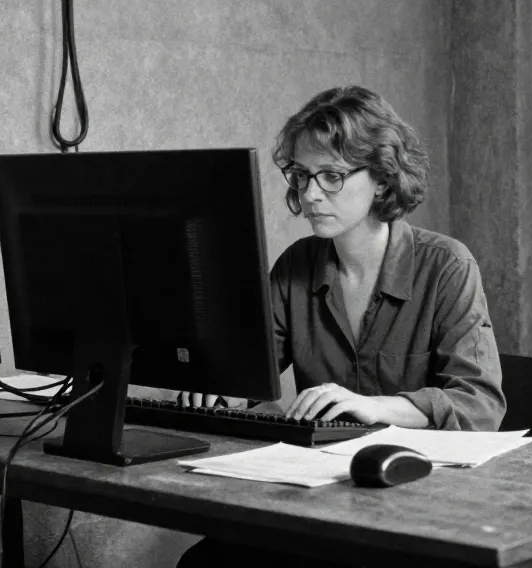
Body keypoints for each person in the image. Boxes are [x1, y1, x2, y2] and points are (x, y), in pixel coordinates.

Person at [174, 85, 505, 568]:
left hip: (422, 509)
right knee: (204, 563)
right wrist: (222, 387)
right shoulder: (296, 267)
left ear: (382, 179)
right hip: (322, 501)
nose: (309, 194)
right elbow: (251, 374)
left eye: (331, 176)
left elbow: (480, 405)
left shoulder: (446, 266)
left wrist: (376, 407)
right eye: (301, 175)